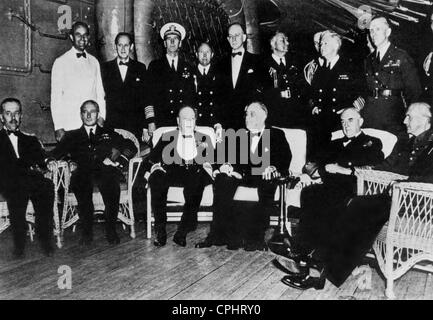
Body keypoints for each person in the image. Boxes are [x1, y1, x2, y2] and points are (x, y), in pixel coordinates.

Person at [278, 102, 433, 290]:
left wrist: (399, 184)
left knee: (359, 207)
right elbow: (384, 166)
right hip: (395, 197)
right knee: (355, 206)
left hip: (421, 202)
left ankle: (317, 267)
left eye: (409, 117)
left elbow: (427, 178)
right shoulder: (405, 142)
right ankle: (316, 266)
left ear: (426, 120)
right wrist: (363, 172)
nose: (404, 120)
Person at [196, 101, 291, 251]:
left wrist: (273, 167)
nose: (247, 117)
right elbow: (220, 155)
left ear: (264, 116)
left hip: (263, 175)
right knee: (222, 180)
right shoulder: (238, 135)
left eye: (252, 114)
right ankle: (219, 235)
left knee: (266, 184)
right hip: (242, 175)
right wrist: (224, 167)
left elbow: (285, 158)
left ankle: (255, 238)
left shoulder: (276, 134)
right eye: (246, 114)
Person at [49, 100, 137, 245]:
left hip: (106, 171)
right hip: (83, 172)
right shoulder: (72, 136)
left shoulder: (108, 132)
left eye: (93, 112)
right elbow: (55, 153)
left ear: (98, 114)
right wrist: (50, 161)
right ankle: (87, 232)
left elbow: (130, 146)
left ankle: (111, 230)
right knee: (81, 185)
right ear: (81, 114)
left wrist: (119, 160)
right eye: (85, 111)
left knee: (111, 186)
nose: (89, 115)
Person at [145, 106, 214, 247]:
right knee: (156, 178)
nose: (189, 122)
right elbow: (151, 158)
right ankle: (160, 230)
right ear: (178, 121)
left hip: (195, 171)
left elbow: (216, 159)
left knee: (197, 179)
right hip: (173, 171)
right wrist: (155, 167)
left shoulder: (204, 138)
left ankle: (182, 232)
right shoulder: (167, 136)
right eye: (185, 119)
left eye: (192, 119)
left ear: (195, 121)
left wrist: (212, 167)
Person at [0, 98, 55, 258]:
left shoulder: (30, 139)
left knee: (46, 185)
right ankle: (19, 244)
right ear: (1, 117)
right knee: (18, 188)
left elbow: (42, 159)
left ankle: (45, 239)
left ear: (21, 116)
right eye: (8, 113)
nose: (13, 117)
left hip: (29, 179)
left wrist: (48, 161)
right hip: (6, 180)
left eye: (16, 113)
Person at [307, 30, 364, 157]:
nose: (322, 47)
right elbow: (312, 94)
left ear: (336, 46)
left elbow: (361, 93)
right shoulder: (320, 69)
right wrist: (314, 106)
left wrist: (350, 110)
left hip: (340, 123)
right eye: (321, 44)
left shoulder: (349, 67)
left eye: (325, 43)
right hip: (320, 123)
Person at [363, 16, 421, 137]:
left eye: (378, 29)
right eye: (371, 30)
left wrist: (411, 117)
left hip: (393, 114)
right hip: (371, 113)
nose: (373, 34)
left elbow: (413, 90)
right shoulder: (368, 60)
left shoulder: (401, 56)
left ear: (388, 32)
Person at [51, 21, 105, 142]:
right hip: (70, 125)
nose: (82, 38)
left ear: (89, 37)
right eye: (78, 35)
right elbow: (56, 98)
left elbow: (100, 93)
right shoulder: (61, 62)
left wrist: (102, 117)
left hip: (91, 125)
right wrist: (58, 126)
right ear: (71, 37)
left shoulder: (94, 61)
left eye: (85, 35)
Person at [146, 22, 195, 129]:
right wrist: (151, 121)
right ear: (164, 43)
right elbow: (148, 96)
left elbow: (191, 97)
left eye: (175, 39)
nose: (172, 42)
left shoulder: (188, 67)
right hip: (162, 121)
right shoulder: (155, 66)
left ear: (180, 43)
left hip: (183, 121)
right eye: (169, 39)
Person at [101, 32, 149, 140]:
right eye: (120, 45)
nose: (123, 49)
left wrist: (145, 128)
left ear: (131, 47)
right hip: (112, 126)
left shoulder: (140, 68)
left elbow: (144, 99)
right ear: (115, 47)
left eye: (126, 45)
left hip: (134, 126)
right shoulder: (105, 68)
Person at [217, 23, 262, 130]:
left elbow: (261, 91)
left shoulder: (257, 61)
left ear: (244, 37)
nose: (234, 39)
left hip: (249, 120)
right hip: (226, 122)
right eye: (231, 36)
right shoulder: (220, 64)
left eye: (237, 35)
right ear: (228, 39)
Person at [262, 32, 305, 128]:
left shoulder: (295, 61)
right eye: (282, 40)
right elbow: (262, 91)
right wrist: (279, 94)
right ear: (273, 44)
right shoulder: (263, 64)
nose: (287, 43)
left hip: (295, 112)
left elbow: (301, 85)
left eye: (287, 40)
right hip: (275, 113)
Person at [193, 42, 223, 127]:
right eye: (201, 52)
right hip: (196, 123)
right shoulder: (190, 73)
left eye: (208, 52)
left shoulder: (219, 73)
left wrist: (219, 122)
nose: (205, 55)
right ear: (196, 54)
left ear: (212, 54)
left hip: (215, 123)